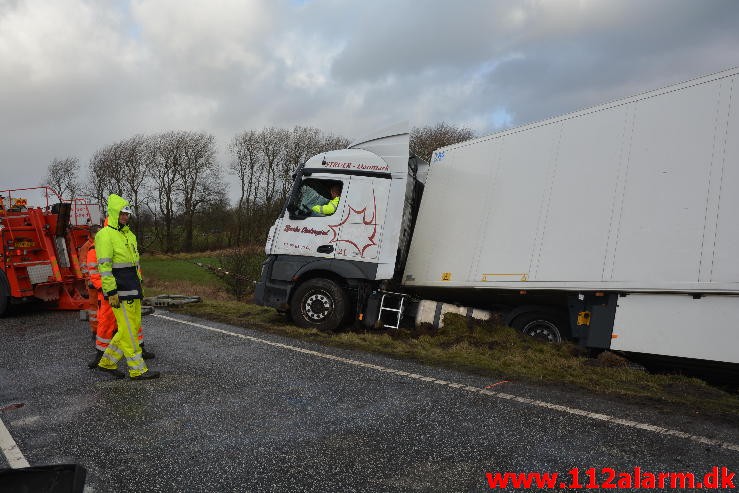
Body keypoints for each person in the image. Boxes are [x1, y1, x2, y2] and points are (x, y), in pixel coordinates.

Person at [94, 194, 159, 380]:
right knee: (129, 331)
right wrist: (111, 292)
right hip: (120, 291)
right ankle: (137, 370)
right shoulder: (105, 235)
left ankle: (106, 362)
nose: (125, 217)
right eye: (122, 213)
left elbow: (134, 265)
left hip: (133, 288)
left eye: (127, 214)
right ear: (114, 213)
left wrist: (141, 287)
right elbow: (104, 268)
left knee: (129, 328)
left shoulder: (128, 234)